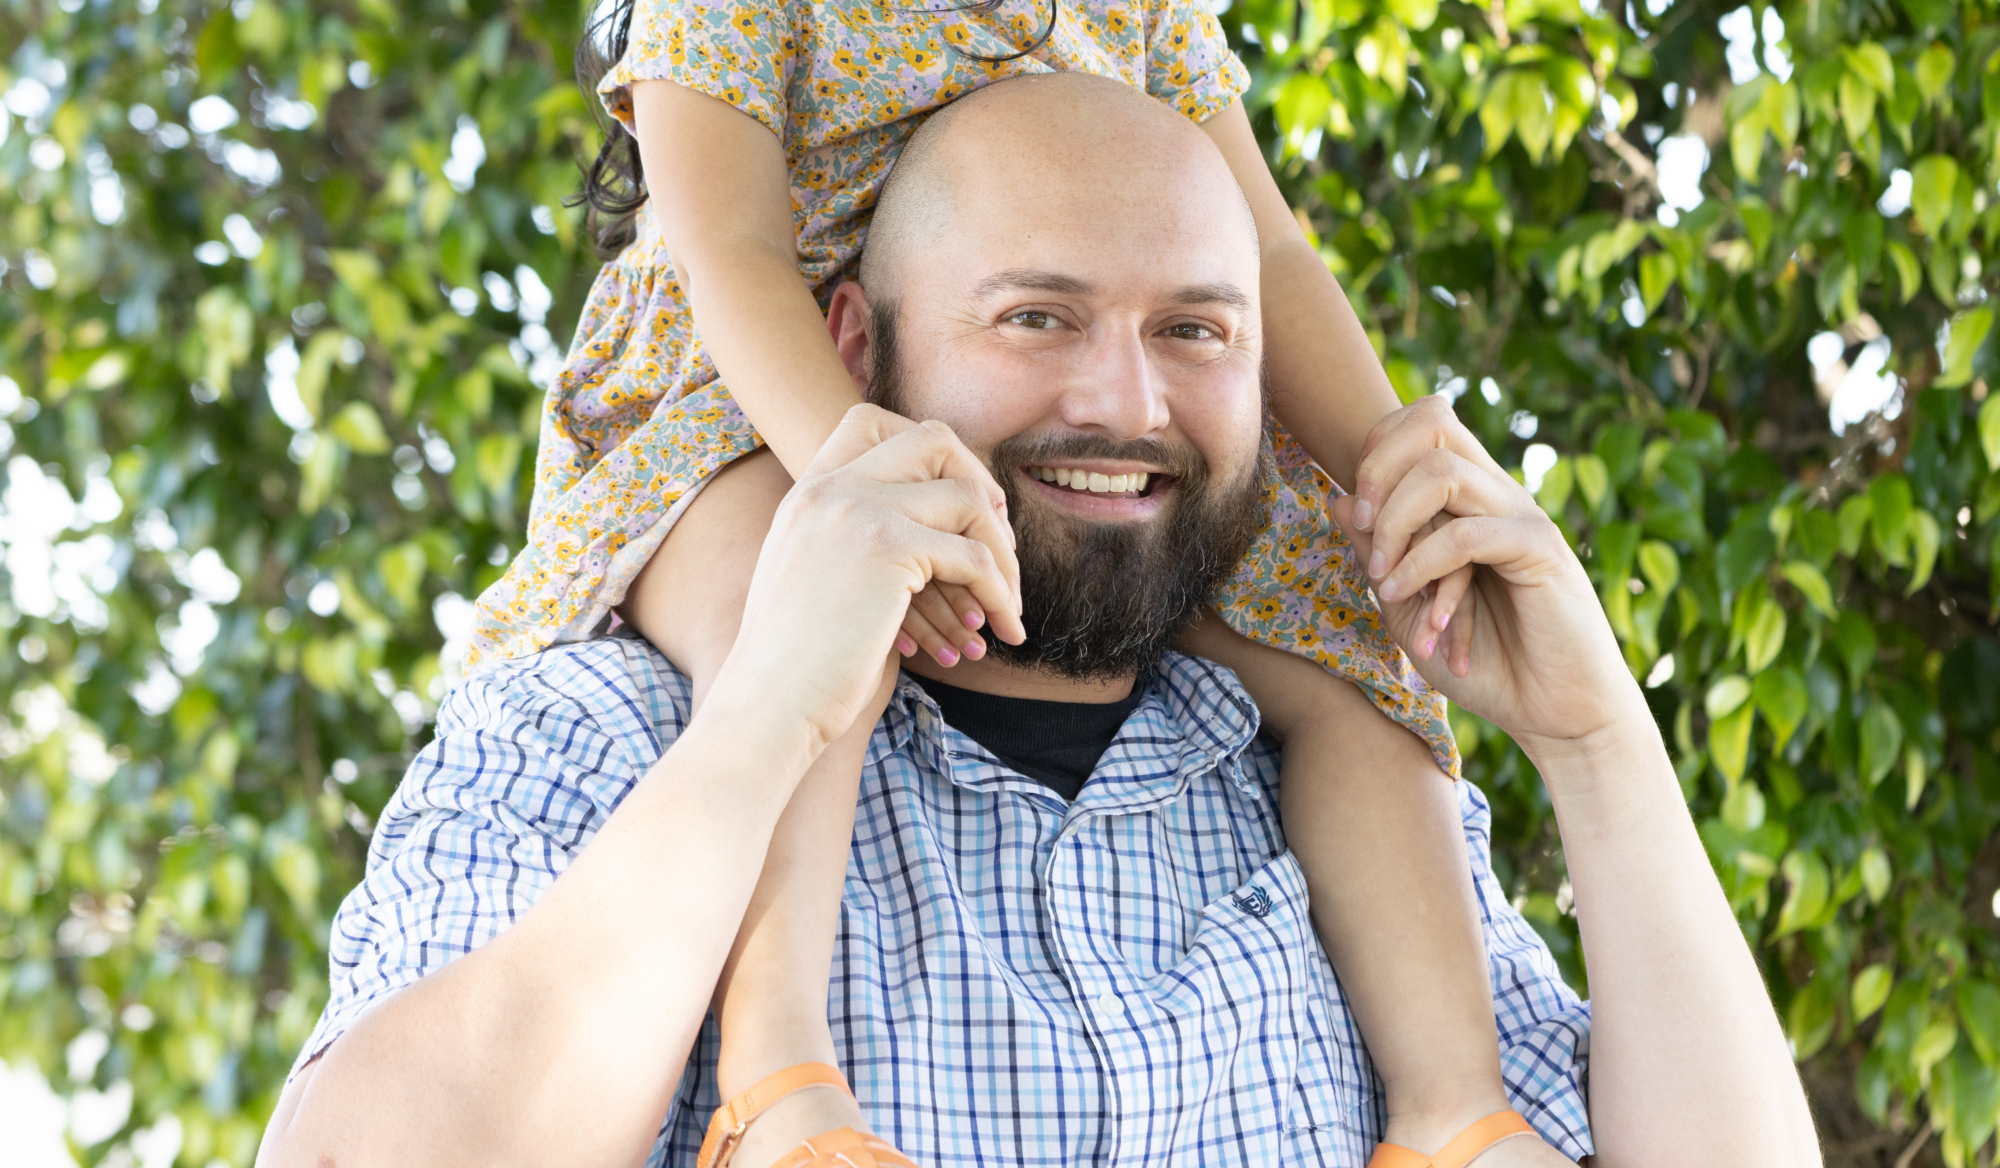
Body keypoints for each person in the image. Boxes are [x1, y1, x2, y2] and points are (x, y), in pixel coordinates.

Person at [463, 0, 1517, 1167]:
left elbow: (1259, 250)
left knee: (1353, 635)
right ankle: (784, 1079)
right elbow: (716, 246)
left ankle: (1452, 1106)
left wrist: (1395, 462)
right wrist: (851, 473)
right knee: (777, 625)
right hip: (762, 389)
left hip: (1065, 399)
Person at [259, 76, 1822, 1168]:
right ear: (858, 348)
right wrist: (761, 723)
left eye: (1194, 332)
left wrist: (1600, 746)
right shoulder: (609, 726)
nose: (1125, 402)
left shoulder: (1345, 804)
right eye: (1037, 317)